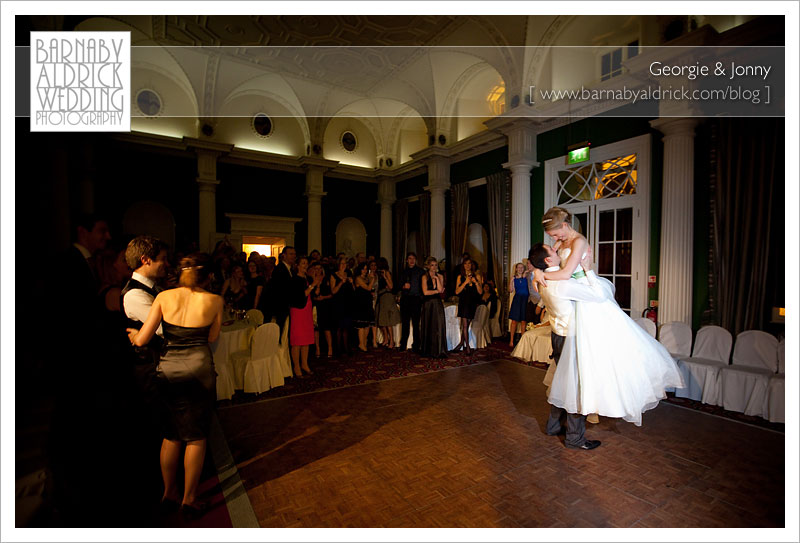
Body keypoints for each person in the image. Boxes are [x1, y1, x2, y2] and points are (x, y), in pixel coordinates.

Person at [529, 209, 684, 426]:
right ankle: (579, 411)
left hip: (585, 293)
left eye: (555, 234)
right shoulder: (558, 245)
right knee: (577, 366)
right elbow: (546, 261)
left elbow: (564, 273)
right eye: (552, 236)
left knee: (596, 358)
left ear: (565, 225)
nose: (554, 240)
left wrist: (541, 274)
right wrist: (537, 270)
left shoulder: (579, 241)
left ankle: (587, 408)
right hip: (573, 299)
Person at [127, 252, 223, 519]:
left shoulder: (163, 297)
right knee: (196, 436)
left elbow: (144, 339)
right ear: (207, 276)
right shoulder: (215, 301)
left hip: (169, 370)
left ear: (179, 273)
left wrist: (135, 335)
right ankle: (189, 498)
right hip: (199, 370)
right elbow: (213, 337)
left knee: (171, 435)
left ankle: (169, 492)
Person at [527, 245, 605, 449]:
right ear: (548, 261)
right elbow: (599, 295)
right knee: (577, 389)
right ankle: (575, 438)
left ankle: (553, 426)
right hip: (572, 339)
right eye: (552, 252)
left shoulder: (541, 280)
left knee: (561, 382)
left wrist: (537, 271)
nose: (556, 251)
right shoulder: (563, 283)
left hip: (557, 336)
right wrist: (588, 269)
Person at [289, 256, 322, 376]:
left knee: (306, 339)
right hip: (298, 310)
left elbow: (315, 294)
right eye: (302, 263)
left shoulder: (307, 278)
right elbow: (300, 295)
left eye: (306, 263)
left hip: (307, 310)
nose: (305, 265)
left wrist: (317, 283)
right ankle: (296, 366)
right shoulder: (294, 279)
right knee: (297, 340)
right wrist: (313, 284)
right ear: (297, 265)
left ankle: (304, 364)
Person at [451, 257, 482, 354]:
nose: (467, 265)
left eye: (469, 263)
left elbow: (480, 292)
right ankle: (467, 347)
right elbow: (456, 291)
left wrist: (475, 282)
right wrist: (465, 282)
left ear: (472, 265)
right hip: (463, 303)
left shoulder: (477, 276)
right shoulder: (460, 277)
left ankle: (461, 343)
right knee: (464, 325)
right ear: (463, 265)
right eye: (465, 263)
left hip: (472, 303)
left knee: (467, 325)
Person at [418, 256, 447, 358]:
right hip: (428, 304)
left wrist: (437, 279)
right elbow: (425, 292)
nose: (434, 267)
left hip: (437, 304)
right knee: (428, 326)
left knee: (438, 326)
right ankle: (428, 350)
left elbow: (440, 289)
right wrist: (436, 291)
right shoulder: (424, 277)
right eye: (432, 265)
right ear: (428, 266)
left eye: (436, 265)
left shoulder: (440, 276)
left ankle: (439, 350)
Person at [399, 252, 424, 352]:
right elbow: (397, 284)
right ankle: (403, 344)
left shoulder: (421, 271)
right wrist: (403, 286)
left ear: (416, 260)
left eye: (413, 258)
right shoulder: (403, 271)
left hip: (416, 299)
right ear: (406, 260)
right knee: (405, 323)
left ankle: (416, 345)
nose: (412, 260)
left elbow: (423, 286)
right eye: (410, 258)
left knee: (416, 324)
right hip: (405, 299)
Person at [330, 256, 354, 355]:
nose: (344, 265)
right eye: (342, 264)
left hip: (347, 303)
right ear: (338, 265)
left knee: (347, 327)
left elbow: (353, 290)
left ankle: (346, 347)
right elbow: (333, 291)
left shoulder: (348, 274)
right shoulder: (333, 275)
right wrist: (341, 282)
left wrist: (352, 283)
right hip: (338, 303)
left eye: (345, 264)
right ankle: (338, 349)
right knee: (339, 327)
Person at [374, 257, 401, 348]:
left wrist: (385, 278)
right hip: (380, 297)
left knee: (387, 320)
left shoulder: (386, 272)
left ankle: (392, 341)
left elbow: (391, 286)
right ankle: (386, 338)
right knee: (380, 320)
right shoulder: (377, 273)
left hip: (387, 297)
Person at [310, 261, 335, 358]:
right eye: (316, 268)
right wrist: (316, 283)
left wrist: (323, 297)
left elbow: (331, 294)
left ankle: (330, 348)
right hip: (316, 306)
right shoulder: (311, 280)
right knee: (316, 328)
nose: (318, 270)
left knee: (326, 328)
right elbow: (314, 293)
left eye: (320, 268)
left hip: (325, 305)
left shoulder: (326, 278)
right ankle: (317, 348)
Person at [269, 246, 296, 331]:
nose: (293, 256)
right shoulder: (280, 269)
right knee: (280, 330)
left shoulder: (290, 270)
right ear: (284, 256)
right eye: (291, 254)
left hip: (286, 307)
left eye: (294, 254)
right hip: (280, 307)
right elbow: (279, 289)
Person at [352, 262, 377, 351]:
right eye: (363, 269)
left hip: (367, 302)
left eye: (366, 269)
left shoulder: (366, 278)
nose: (365, 271)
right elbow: (368, 288)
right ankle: (361, 343)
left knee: (367, 324)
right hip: (360, 302)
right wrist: (372, 280)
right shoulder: (358, 278)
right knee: (361, 324)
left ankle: (364, 342)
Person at [508, 262, 530, 348]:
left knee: (523, 321)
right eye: (519, 267)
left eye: (522, 267)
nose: (520, 269)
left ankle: (522, 341)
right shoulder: (513, 278)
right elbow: (510, 290)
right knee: (514, 321)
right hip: (517, 299)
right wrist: (511, 281)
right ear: (516, 269)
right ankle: (511, 340)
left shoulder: (526, 276)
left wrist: (526, 272)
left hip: (525, 299)